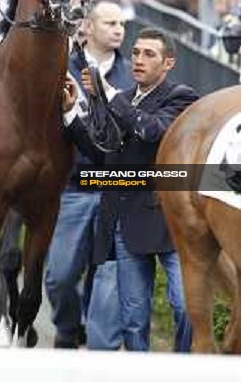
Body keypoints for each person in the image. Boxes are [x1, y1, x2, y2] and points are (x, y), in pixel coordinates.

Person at [62, 27, 199, 352]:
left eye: (149, 54)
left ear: (168, 63)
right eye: (135, 52)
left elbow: (152, 131)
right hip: (126, 221)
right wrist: (70, 111)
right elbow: (101, 154)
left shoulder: (182, 97)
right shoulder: (120, 99)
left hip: (172, 222)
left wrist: (106, 92)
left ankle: (185, 367)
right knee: (133, 318)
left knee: (186, 308)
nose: (138, 60)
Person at [45, 0, 132, 349]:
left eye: (121, 24)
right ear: (89, 27)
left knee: (106, 275)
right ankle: (67, 328)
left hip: (119, 188)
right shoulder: (59, 68)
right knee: (60, 276)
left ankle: (98, 347)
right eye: (110, 23)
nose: (118, 30)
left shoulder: (132, 73)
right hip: (74, 186)